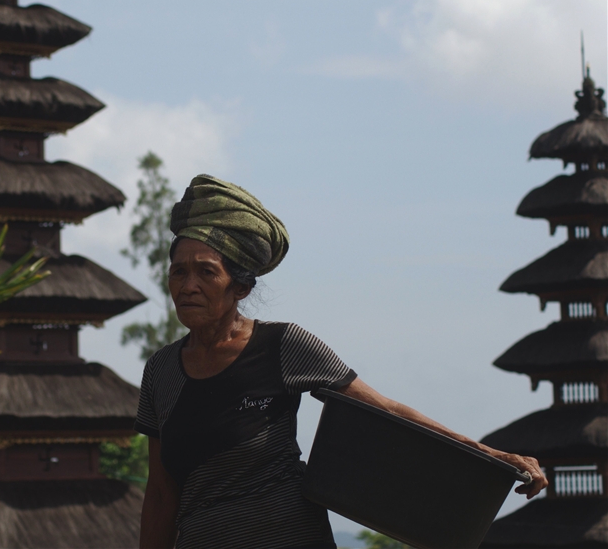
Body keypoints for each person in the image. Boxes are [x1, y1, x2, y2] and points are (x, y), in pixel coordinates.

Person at [135, 174, 547, 549]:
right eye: (178, 272)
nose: (188, 286)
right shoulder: (161, 372)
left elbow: (385, 411)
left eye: (206, 272)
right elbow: (160, 494)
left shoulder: (281, 345)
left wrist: (490, 455)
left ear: (240, 287)